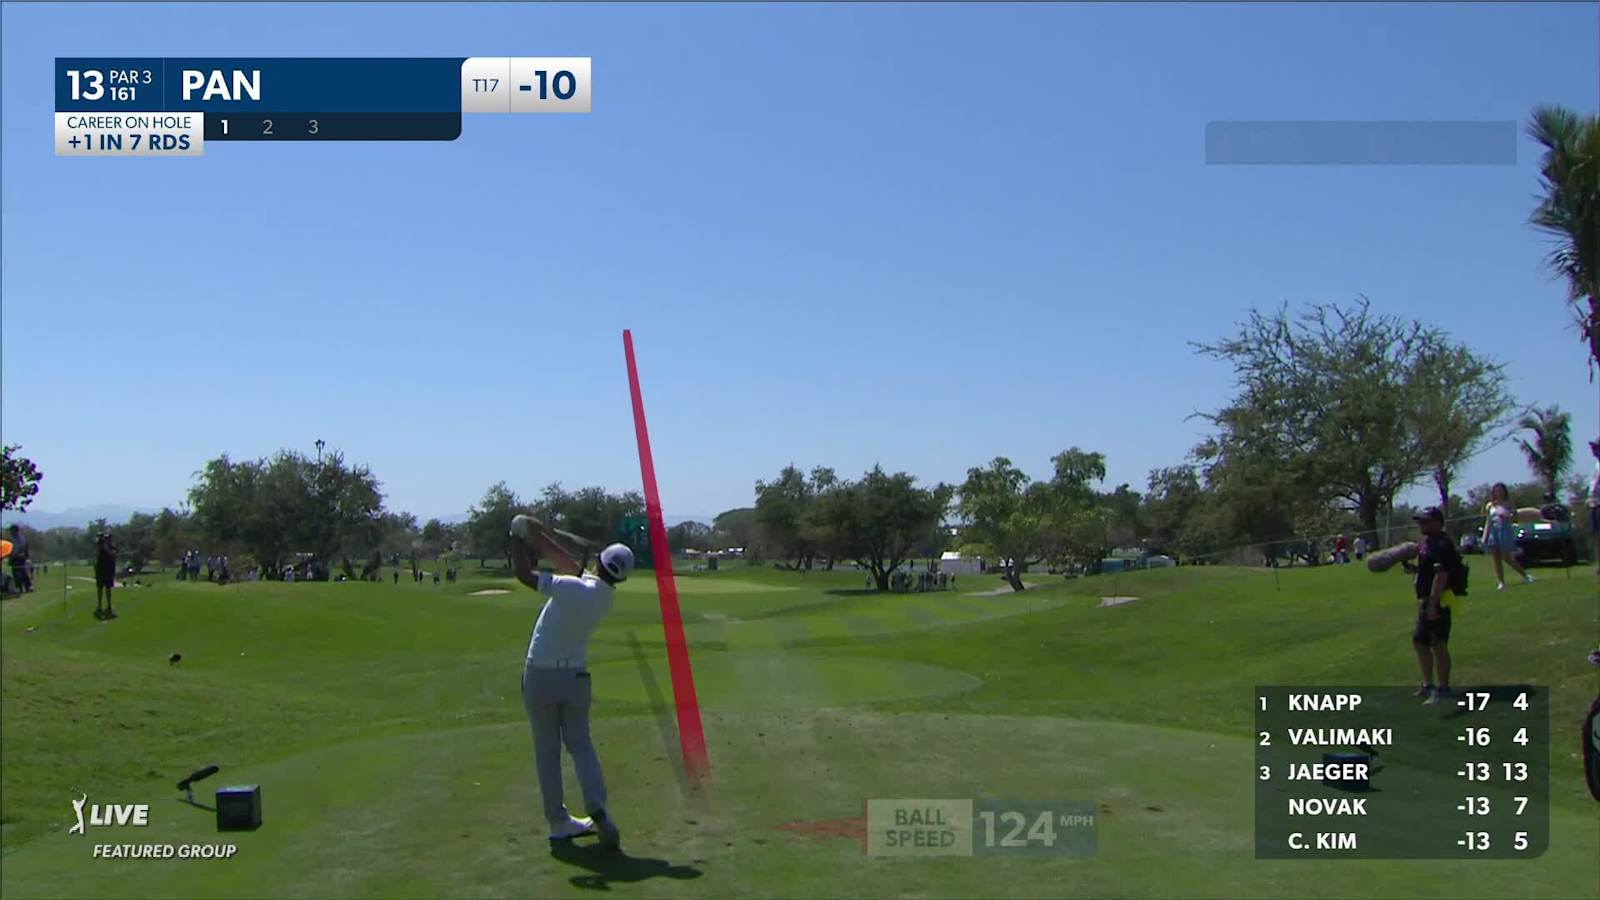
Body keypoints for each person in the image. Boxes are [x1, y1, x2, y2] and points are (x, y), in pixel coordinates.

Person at [508, 514, 625, 849]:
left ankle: (559, 822)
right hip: (576, 680)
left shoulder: (572, 587)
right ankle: (598, 807)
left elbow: (524, 575)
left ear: (599, 563)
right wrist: (540, 535)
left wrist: (516, 536)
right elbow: (567, 563)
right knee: (581, 745)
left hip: (540, 676)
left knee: (547, 751)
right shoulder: (603, 597)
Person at [1410, 507, 1462, 705]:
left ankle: (1443, 688)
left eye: (1425, 521)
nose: (1421, 525)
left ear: (1437, 523)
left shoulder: (1442, 544)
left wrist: (1433, 603)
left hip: (1438, 600)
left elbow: (1441, 575)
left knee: (1438, 644)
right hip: (1427, 600)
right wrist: (1413, 569)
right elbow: (1428, 570)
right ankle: (1427, 685)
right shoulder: (1426, 543)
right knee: (1420, 642)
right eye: (1420, 521)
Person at [1481, 483, 1533, 591]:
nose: (1498, 492)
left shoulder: (1508, 503)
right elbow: (1488, 521)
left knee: (1507, 558)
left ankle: (1525, 575)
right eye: (1496, 490)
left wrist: (1507, 516)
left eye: (1500, 490)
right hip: (1493, 532)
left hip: (1504, 531)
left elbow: (1514, 517)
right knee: (1496, 558)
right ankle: (1501, 582)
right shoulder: (1490, 505)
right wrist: (1485, 535)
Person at [94, 531, 118, 620]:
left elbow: (113, 554)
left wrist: (106, 547)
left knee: (108, 588)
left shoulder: (111, 547)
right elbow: (96, 553)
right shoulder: (99, 547)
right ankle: (99, 605)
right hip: (100, 570)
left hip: (108, 570)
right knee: (100, 588)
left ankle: (109, 605)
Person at [7, 524, 33, 593]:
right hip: (22, 558)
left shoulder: (13, 539)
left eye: (11, 531)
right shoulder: (23, 538)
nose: (10, 532)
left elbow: (13, 550)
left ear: (13, 531)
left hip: (16, 559)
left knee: (17, 574)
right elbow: (26, 548)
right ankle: (28, 587)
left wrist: (10, 558)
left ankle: (20, 588)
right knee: (24, 572)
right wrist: (27, 557)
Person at [1588, 439, 1600, 575]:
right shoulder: (1596, 464)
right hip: (1594, 503)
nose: (1593, 451)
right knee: (1596, 535)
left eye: (1595, 448)